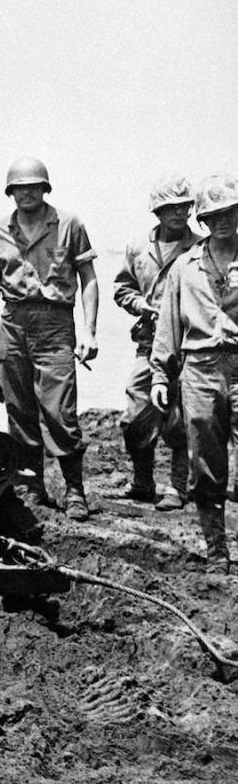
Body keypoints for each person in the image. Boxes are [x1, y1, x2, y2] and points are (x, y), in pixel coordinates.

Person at [0, 157, 99, 521]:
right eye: (19, 187)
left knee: (59, 410)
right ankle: (32, 486)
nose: (26, 193)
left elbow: (89, 279)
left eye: (34, 186)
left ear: (45, 188)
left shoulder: (68, 224)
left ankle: (74, 489)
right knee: (19, 410)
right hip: (13, 324)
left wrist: (90, 330)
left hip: (55, 324)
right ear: (10, 191)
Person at [151, 173, 238, 573]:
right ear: (202, 220)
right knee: (206, 461)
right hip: (200, 369)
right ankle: (216, 550)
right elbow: (168, 325)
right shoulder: (185, 267)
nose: (223, 221)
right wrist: (157, 375)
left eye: (231, 213)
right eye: (214, 215)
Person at [114, 175, 200, 510]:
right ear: (157, 212)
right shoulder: (139, 247)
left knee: (183, 420)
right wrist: (140, 305)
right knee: (136, 416)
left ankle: (178, 488)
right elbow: (122, 289)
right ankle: (142, 481)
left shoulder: (201, 247)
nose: (179, 213)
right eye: (171, 208)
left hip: (190, 345)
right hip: (149, 343)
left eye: (184, 207)